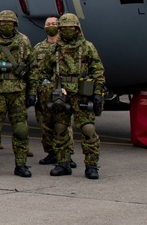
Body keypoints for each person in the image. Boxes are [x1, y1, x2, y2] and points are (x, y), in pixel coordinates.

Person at [37, 14, 105, 179]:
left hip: (82, 93)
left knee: (88, 129)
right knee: (60, 128)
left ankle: (91, 166)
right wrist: (48, 88)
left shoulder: (87, 47)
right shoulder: (55, 49)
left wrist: (97, 92)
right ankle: (63, 163)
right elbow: (43, 71)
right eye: (64, 28)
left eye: (70, 28)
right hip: (62, 94)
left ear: (77, 29)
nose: (67, 31)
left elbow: (98, 71)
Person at [0, 10, 35, 178]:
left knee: (21, 130)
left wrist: (32, 92)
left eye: (9, 24)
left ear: (15, 25)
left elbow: (32, 69)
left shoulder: (24, 42)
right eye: (3, 24)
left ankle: (21, 164)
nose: (6, 27)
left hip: (17, 93)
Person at [33, 17, 73, 166]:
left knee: (63, 124)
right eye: (48, 24)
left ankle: (67, 154)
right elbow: (35, 70)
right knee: (45, 124)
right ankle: (51, 153)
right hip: (43, 92)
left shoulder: (66, 47)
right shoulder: (38, 48)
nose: (51, 26)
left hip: (61, 91)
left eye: (54, 24)